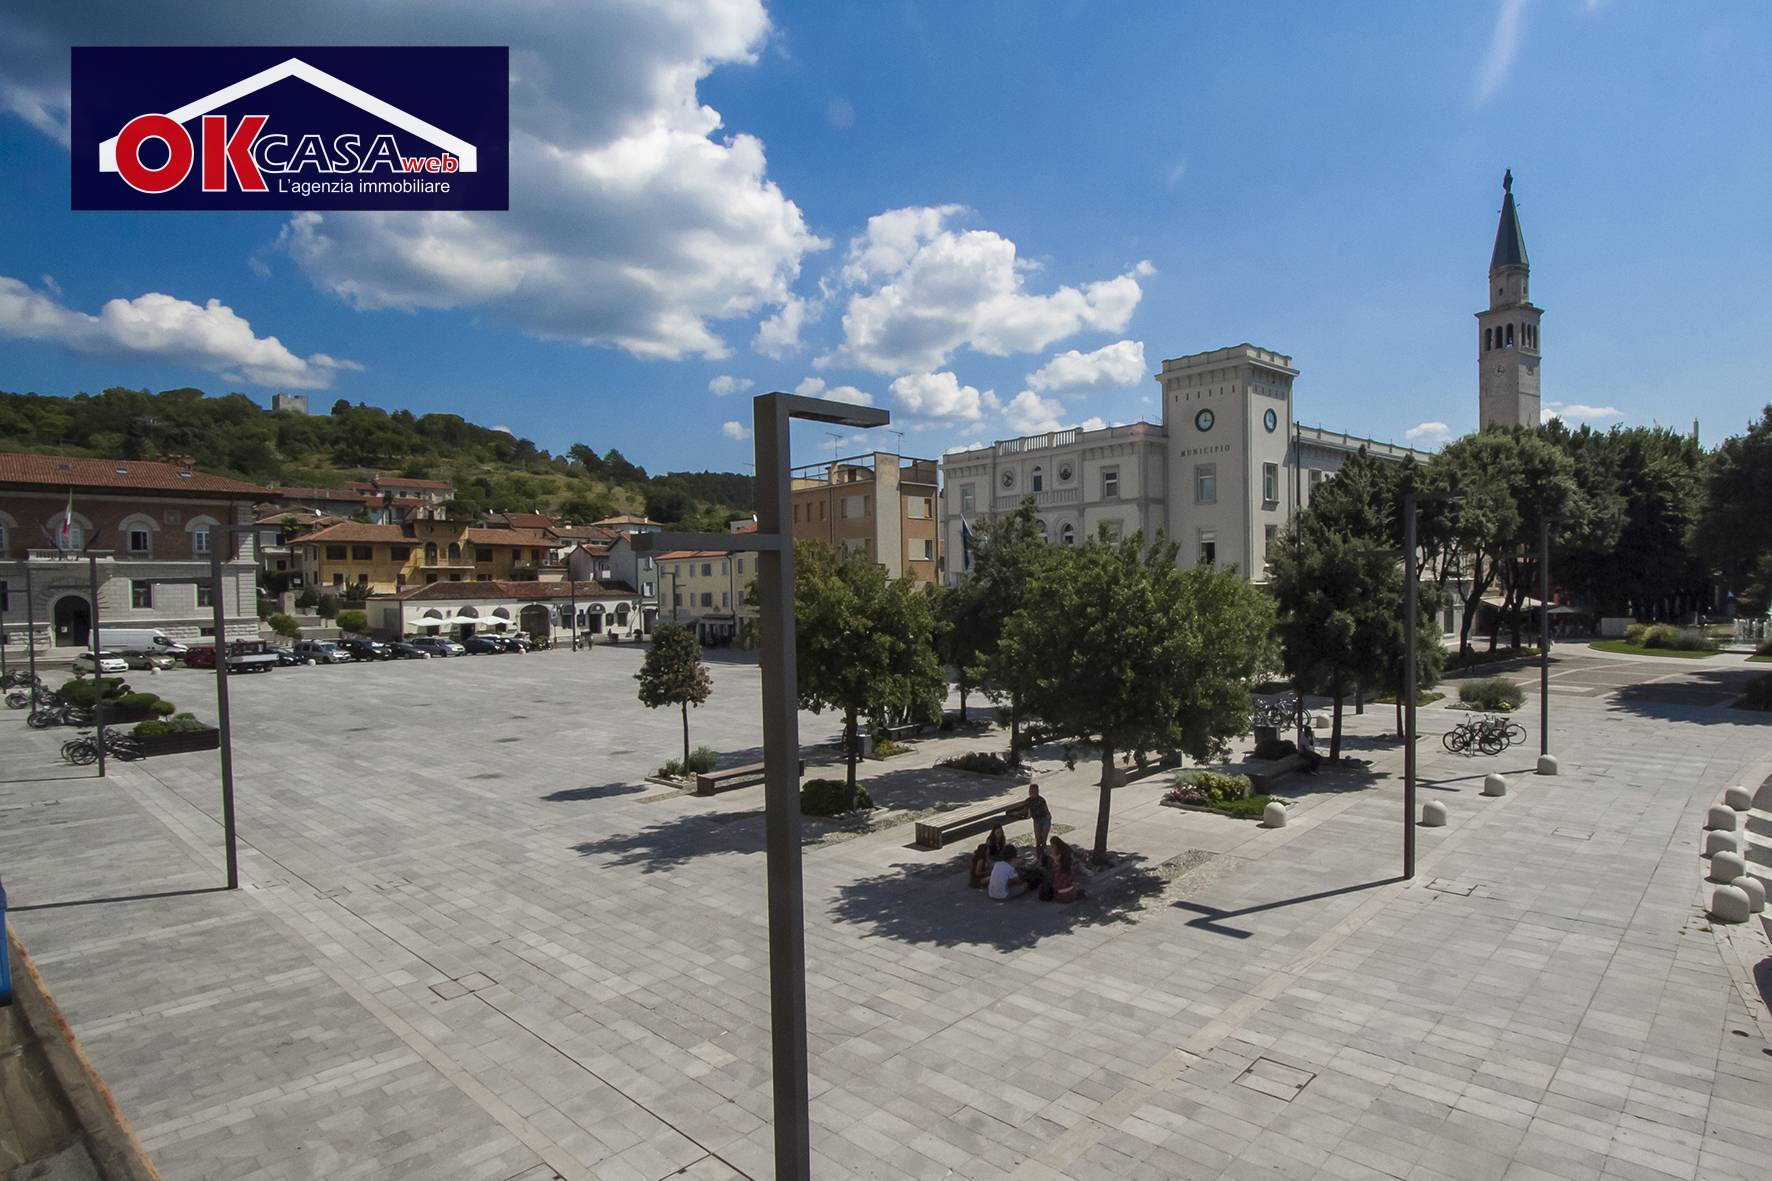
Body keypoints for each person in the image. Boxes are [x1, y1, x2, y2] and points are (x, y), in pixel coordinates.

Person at [1044, 837, 1079, 903]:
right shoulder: (1069, 866)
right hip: (1071, 895)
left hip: (1059, 897)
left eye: (1052, 846)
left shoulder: (1056, 867)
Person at [1026, 783, 1051, 853]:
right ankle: (1038, 852)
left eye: (1034, 791)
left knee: (1044, 837)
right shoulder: (1028, 801)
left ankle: (1043, 851)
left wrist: (1048, 817)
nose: (1031, 793)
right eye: (1030, 791)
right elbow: (1025, 811)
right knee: (1038, 839)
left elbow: (1046, 810)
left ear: (1037, 792)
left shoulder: (1041, 800)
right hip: (1036, 820)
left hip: (1045, 819)